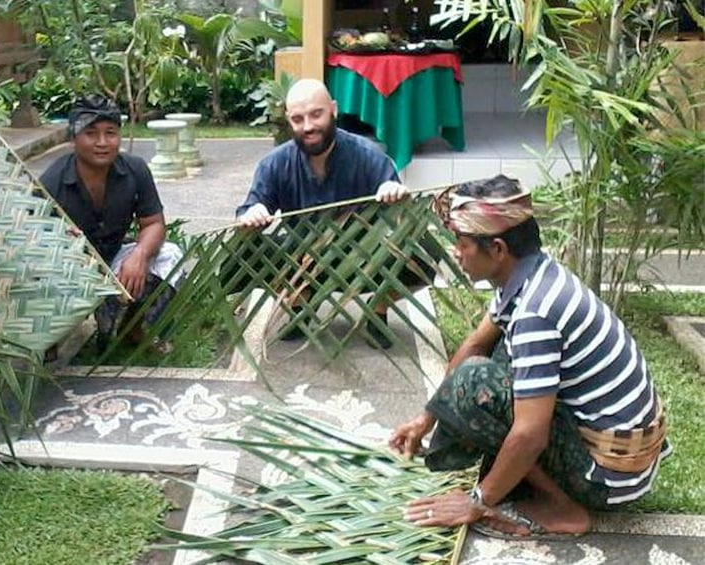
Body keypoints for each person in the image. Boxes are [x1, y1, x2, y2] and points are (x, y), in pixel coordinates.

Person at [390, 175, 670, 539]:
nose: (456, 253)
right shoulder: (532, 273)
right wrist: (425, 418)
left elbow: (531, 434)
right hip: (620, 453)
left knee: (475, 385)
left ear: (498, 249)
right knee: (487, 359)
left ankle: (562, 509)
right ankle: (519, 479)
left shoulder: (537, 311)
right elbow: (476, 344)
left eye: (461, 243)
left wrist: (478, 500)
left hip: (609, 476)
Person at [234, 78, 431, 348]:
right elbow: (252, 206)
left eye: (317, 114)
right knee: (242, 251)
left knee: (425, 254)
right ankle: (299, 303)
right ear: (288, 120)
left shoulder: (367, 155)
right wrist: (253, 213)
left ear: (334, 109)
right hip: (300, 264)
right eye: (298, 119)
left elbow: (395, 199)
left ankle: (378, 308)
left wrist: (391, 190)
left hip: (362, 262)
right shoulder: (274, 163)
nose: (308, 126)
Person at [39, 95, 184, 351]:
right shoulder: (53, 180)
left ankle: (133, 327)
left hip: (114, 256)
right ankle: (50, 334)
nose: (102, 142)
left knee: (169, 255)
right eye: (91, 133)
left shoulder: (135, 169)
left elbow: (154, 223)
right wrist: (62, 241)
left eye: (111, 133)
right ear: (74, 137)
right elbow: (33, 238)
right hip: (70, 266)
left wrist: (139, 255)